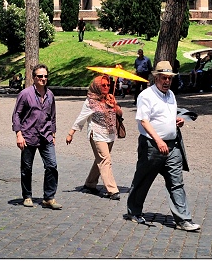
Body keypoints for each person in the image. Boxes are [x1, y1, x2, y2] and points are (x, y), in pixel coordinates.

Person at [124, 61, 200, 232]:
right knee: (143, 180)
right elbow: (144, 121)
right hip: (152, 145)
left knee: (176, 182)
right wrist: (158, 140)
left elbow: (166, 116)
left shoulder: (171, 95)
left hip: (172, 146)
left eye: (169, 78)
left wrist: (176, 121)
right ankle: (134, 211)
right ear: (156, 78)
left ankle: (183, 219)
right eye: (164, 78)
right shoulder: (146, 96)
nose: (167, 81)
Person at [12, 64, 62, 210]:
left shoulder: (50, 95)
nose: (43, 79)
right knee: (27, 168)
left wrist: (53, 133)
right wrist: (19, 134)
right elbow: (16, 114)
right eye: (40, 76)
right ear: (34, 78)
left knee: (52, 166)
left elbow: (52, 116)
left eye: (45, 76)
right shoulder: (25, 94)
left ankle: (49, 197)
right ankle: (27, 196)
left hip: (46, 136)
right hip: (28, 135)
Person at [66, 75, 123, 200]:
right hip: (97, 134)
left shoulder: (110, 98)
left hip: (110, 134)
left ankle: (90, 183)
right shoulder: (90, 101)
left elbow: (119, 113)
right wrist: (71, 133)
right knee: (105, 159)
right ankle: (112, 190)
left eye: (108, 85)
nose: (106, 87)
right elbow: (81, 118)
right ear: (97, 86)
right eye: (103, 85)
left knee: (101, 159)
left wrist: (115, 106)